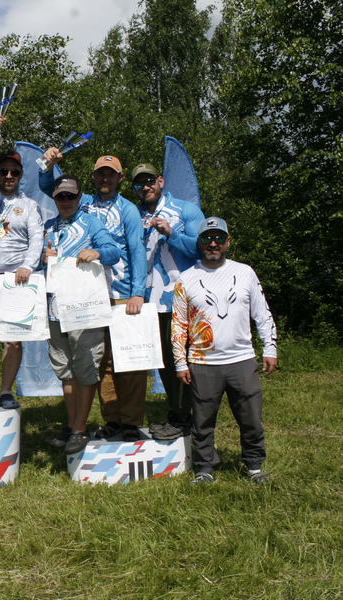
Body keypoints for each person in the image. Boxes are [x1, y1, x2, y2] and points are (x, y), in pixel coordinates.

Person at [41, 153, 148, 441]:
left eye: (111, 174)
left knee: (128, 361)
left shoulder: (127, 210)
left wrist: (138, 292)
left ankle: (130, 422)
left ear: (120, 178)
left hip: (121, 293)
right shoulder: (84, 201)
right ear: (93, 176)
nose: (105, 178)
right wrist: (47, 165)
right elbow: (51, 187)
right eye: (101, 173)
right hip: (83, 298)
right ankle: (111, 420)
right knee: (101, 364)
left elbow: (136, 251)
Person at [172, 217, 277, 484]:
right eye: (207, 238)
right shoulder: (186, 279)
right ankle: (204, 469)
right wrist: (180, 362)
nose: (213, 244)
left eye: (219, 238)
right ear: (199, 243)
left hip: (242, 360)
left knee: (251, 418)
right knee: (202, 421)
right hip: (202, 362)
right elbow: (178, 324)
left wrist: (270, 348)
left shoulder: (245, 272)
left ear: (228, 242)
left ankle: (254, 466)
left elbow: (262, 312)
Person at [0, 113, 45, 409]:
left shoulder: (29, 206)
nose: (9, 176)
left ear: (21, 174)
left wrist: (28, 265)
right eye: (4, 171)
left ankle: (5, 391)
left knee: (13, 339)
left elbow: (37, 239)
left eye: (14, 171)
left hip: (16, 278)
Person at [42, 176, 120, 454]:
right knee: (64, 367)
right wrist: (43, 259)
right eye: (60, 197)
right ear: (54, 199)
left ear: (79, 197)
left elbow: (114, 252)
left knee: (85, 365)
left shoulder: (91, 222)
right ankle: (71, 423)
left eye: (71, 196)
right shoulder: (49, 226)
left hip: (85, 307)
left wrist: (97, 251)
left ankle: (79, 428)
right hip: (55, 308)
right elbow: (41, 267)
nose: (66, 201)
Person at [128, 163, 204, 440]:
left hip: (181, 300)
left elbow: (203, 248)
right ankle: (179, 414)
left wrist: (172, 233)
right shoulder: (134, 215)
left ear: (160, 181)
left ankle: (188, 419)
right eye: (139, 184)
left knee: (183, 359)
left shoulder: (185, 210)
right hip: (149, 301)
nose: (145, 187)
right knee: (164, 362)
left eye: (149, 181)